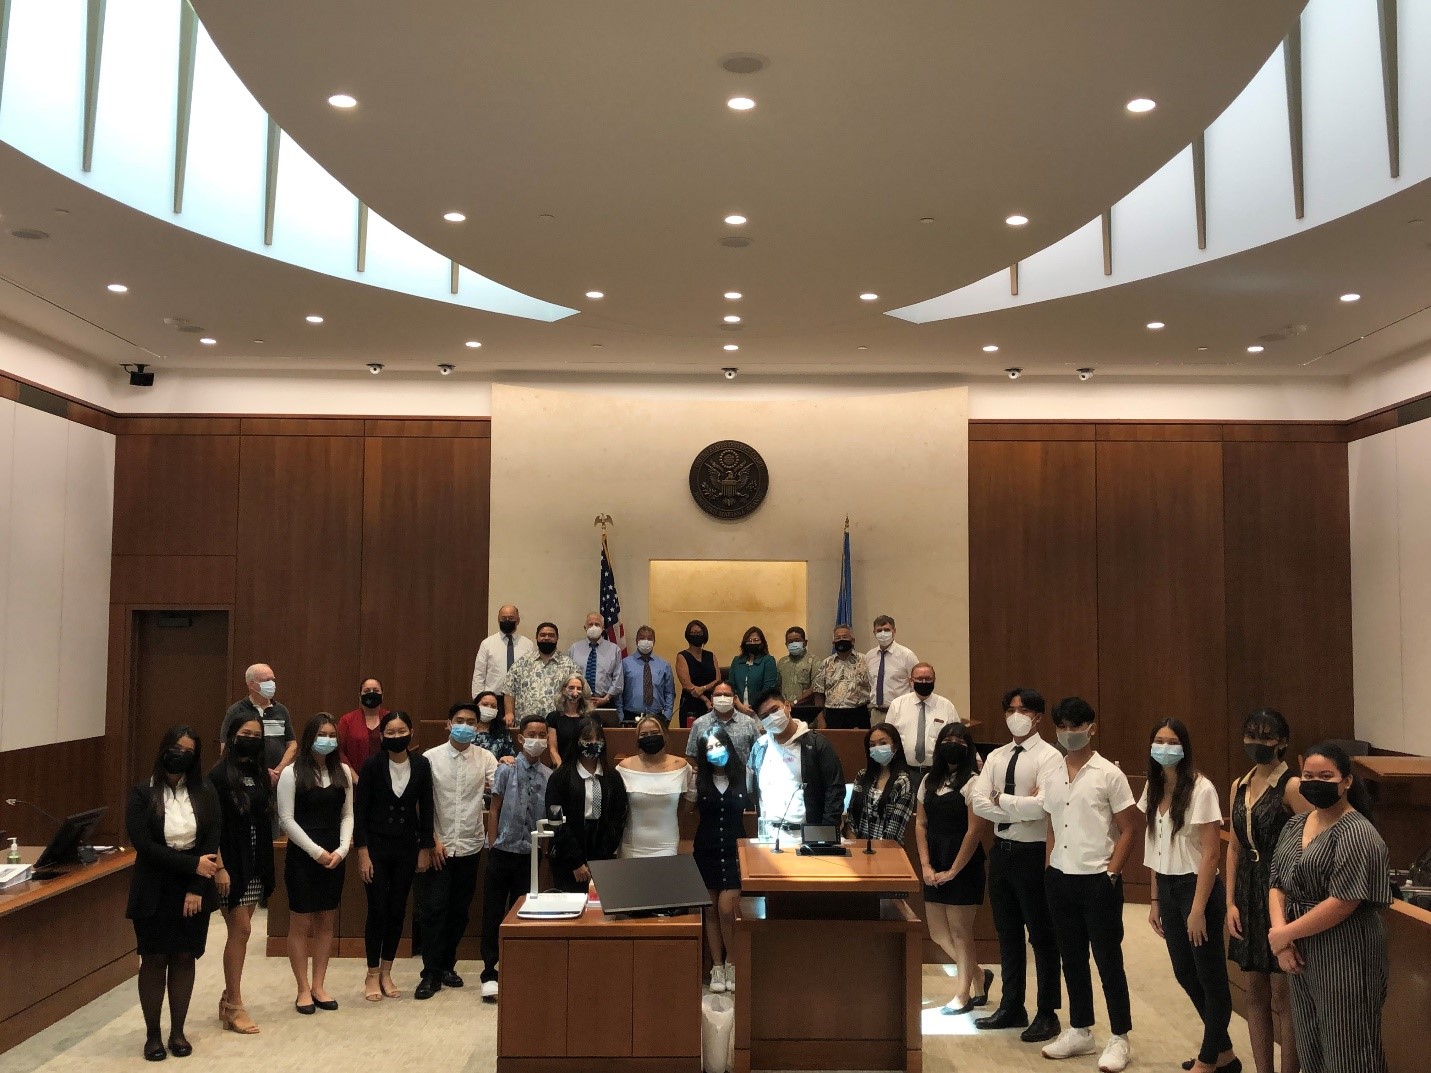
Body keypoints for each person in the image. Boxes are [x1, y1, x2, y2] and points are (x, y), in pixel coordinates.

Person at [1269, 743, 1391, 1073]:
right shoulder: (1296, 825)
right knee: (1311, 1046)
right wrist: (1281, 938)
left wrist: (1283, 934)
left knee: (1349, 1051)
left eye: (1326, 776)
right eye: (1308, 775)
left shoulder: (1357, 833)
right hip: (1298, 950)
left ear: (1347, 781)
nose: (1315, 782)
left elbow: (1343, 902)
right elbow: (1277, 882)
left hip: (1346, 950)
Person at [1039, 698, 1141, 1071]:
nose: (1069, 733)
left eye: (1075, 726)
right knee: (1072, 959)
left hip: (1099, 878)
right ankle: (1080, 1029)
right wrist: (1050, 866)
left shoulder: (1108, 774)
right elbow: (1052, 823)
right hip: (1060, 877)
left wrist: (1112, 873)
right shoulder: (1052, 773)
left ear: (1091, 727)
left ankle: (1120, 1037)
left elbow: (1130, 827)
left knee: (1108, 960)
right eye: (1062, 727)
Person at [1139, 719, 1236, 1073]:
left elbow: (1211, 853)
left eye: (1173, 741)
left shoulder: (1202, 788)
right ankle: (1224, 1053)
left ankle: (1208, 1060)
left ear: (1185, 746)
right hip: (1166, 887)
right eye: (1159, 740)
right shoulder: (1153, 787)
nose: (1165, 747)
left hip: (1197, 889)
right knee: (1184, 971)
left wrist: (1197, 909)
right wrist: (1153, 900)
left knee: (1210, 977)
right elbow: (1154, 844)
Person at [970, 686, 1063, 1042]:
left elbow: (1043, 807)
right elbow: (979, 802)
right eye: (1009, 708)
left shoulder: (1049, 757)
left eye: (1021, 709)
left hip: (1034, 852)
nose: (1014, 715)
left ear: (1037, 716)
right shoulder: (996, 756)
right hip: (1002, 850)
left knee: (1041, 934)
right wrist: (1014, 805)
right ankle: (1012, 1005)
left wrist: (1002, 800)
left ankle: (1047, 1012)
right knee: (1006, 932)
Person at [124, 726, 221, 1061]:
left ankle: (177, 1032)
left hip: (194, 888)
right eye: (176, 748)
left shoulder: (205, 790)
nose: (181, 754)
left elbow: (211, 840)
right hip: (154, 887)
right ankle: (152, 1036)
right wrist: (191, 866)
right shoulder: (142, 793)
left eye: (189, 751)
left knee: (183, 956)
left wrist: (197, 884)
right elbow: (145, 846)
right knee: (153, 959)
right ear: (164, 749)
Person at [1228, 709, 1308, 1073]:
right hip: (1247, 891)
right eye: (1251, 735)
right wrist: (1230, 901)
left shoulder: (1292, 785)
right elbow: (1234, 847)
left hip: (1282, 892)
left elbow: (1312, 840)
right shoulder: (1239, 784)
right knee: (1254, 989)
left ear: (1283, 741)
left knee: (1283, 994)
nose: (1257, 743)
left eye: (1266, 736)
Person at [414, 702, 498, 999]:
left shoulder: (486, 758)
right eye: (460, 720)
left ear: (478, 727)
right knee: (433, 910)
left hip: (471, 845)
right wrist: (431, 840)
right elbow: (421, 805)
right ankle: (430, 973)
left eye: (471, 722)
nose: (466, 725)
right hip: (439, 845)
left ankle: (447, 965)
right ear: (448, 724)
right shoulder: (429, 758)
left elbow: (498, 788)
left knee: (459, 912)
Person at [353, 711, 434, 1003]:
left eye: (402, 732)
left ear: (411, 732)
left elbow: (427, 809)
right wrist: (362, 853)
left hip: (406, 848)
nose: (397, 737)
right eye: (391, 733)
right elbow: (360, 812)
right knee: (377, 909)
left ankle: (387, 971)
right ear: (382, 736)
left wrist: (425, 848)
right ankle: (372, 972)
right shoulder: (373, 765)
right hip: (375, 848)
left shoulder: (422, 765)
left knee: (398, 909)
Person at [278, 714, 353, 1016]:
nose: (328, 739)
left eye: (333, 735)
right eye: (323, 733)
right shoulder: (292, 773)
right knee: (301, 922)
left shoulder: (344, 771)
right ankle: (302, 988)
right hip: (303, 855)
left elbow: (347, 815)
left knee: (326, 922)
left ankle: (319, 985)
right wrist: (315, 851)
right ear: (310, 736)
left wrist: (343, 849)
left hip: (335, 856)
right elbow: (286, 819)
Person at [916, 722, 991, 1015]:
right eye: (947, 739)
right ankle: (979, 975)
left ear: (968, 747)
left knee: (961, 932)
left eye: (959, 740)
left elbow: (975, 831)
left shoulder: (974, 781)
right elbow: (921, 824)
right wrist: (925, 864)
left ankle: (963, 994)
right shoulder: (927, 781)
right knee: (937, 932)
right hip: (933, 860)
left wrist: (954, 871)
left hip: (964, 862)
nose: (953, 744)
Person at [209, 715, 275, 1034]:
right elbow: (212, 827)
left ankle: (227, 998)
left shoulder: (260, 773)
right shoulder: (219, 775)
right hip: (229, 865)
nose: (250, 738)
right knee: (243, 930)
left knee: (241, 932)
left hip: (255, 863)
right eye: (245, 733)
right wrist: (219, 866)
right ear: (232, 736)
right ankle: (235, 1005)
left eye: (256, 735)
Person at [480, 714, 552, 1000]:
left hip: (530, 854)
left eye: (542, 734)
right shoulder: (506, 769)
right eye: (531, 733)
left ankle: (519, 968)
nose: (537, 738)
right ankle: (490, 971)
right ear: (521, 738)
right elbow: (494, 809)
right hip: (503, 850)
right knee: (493, 912)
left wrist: (544, 852)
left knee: (523, 912)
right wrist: (493, 843)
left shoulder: (549, 776)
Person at [545, 716, 629, 892]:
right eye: (587, 739)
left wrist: (601, 858)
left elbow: (619, 816)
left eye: (598, 739)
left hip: (602, 854)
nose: (593, 743)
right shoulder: (560, 777)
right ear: (577, 741)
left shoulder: (612, 777)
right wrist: (576, 862)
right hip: (568, 855)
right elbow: (556, 821)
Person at [693, 726, 747, 993]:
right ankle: (716, 965)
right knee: (710, 910)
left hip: (736, 850)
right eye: (709, 748)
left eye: (719, 745)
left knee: (728, 908)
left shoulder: (744, 776)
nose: (716, 752)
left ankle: (733, 961)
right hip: (707, 849)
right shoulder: (698, 780)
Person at [750, 689, 846, 833]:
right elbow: (752, 790)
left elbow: (835, 790)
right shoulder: (759, 747)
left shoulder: (817, 744)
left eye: (774, 710)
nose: (771, 718)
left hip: (806, 836)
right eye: (764, 716)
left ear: (787, 706)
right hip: (768, 836)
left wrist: (827, 834)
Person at [618, 715, 695, 857]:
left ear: (664, 735)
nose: (649, 737)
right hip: (632, 846)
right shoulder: (623, 768)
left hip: (667, 844)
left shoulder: (682, 767)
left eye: (654, 733)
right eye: (644, 735)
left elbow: (688, 804)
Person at [885, 662, 961, 791]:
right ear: (911, 681)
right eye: (919, 679)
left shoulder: (946, 706)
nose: (924, 682)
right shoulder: (897, 705)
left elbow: (959, 737)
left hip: (937, 772)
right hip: (905, 773)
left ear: (934, 680)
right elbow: (887, 739)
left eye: (928, 679)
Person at [220, 663, 295, 788]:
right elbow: (225, 746)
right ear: (251, 684)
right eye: (266, 680)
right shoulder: (236, 710)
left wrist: (279, 770)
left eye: (273, 680)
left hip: (278, 777)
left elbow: (292, 744)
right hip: (247, 777)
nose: (272, 684)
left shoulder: (281, 710)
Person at [849, 723, 915, 841]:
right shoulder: (862, 776)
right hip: (859, 848)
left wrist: (876, 854)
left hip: (888, 852)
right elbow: (851, 818)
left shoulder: (903, 782)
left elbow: (894, 831)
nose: (877, 748)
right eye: (872, 745)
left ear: (895, 747)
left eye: (883, 743)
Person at [502, 622, 580, 723]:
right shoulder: (522, 662)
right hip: (526, 723)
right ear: (536, 637)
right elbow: (509, 691)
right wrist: (509, 713)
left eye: (551, 635)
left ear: (557, 638)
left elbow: (577, 693)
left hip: (558, 724)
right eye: (542, 635)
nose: (547, 638)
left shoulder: (569, 665)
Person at [812, 623, 874, 729]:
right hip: (833, 715)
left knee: (858, 745)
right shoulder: (826, 663)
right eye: (838, 638)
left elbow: (873, 687)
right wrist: (820, 719)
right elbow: (819, 694)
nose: (841, 640)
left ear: (853, 640)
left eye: (845, 637)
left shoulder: (865, 660)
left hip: (859, 713)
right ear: (833, 642)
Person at [686, 680, 762, 765]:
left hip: (742, 777)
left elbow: (759, 753)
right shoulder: (699, 724)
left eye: (726, 695)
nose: (722, 698)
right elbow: (691, 755)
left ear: (735, 699)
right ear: (712, 699)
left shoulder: (749, 723)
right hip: (709, 777)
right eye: (718, 695)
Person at [472, 604, 535, 698]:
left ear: (518, 620)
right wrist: (478, 699)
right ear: (498, 619)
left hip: (520, 698)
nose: (507, 621)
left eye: (511, 618)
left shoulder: (528, 644)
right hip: (493, 699)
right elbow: (479, 674)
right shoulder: (487, 644)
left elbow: (532, 673)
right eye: (503, 618)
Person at [865, 614, 919, 718]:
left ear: (894, 631)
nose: (883, 633)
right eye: (879, 630)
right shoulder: (869, 656)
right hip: (876, 712)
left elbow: (915, 685)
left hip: (900, 712)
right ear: (874, 632)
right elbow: (871, 682)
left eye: (886, 630)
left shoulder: (907, 655)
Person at [568, 611, 623, 710]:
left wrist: (606, 698)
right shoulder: (574, 648)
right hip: (579, 701)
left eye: (597, 624)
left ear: (603, 628)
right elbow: (569, 676)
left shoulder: (614, 649)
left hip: (605, 702)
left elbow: (618, 678)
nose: (594, 627)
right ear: (585, 628)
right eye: (590, 624)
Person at [337, 678, 389, 780]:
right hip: (355, 781)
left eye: (376, 690)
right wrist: (355, 778)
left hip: (387, 781)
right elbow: (339, 751)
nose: (371, 693)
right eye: (367, 691)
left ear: (382, 695)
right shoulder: (347, 720)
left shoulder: (390, 718)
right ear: (360, 697)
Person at [622, 625, 675, 724]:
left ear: (654, 641)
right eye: (642, 638)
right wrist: (621, 716)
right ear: (636, 640)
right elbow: (619, 692)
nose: (645, 641)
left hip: (657, 716)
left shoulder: (664, 665)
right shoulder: (625, 663)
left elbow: (669, 692)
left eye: (649, 638)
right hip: (630, 716)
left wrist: (667, 715)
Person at [675, 618, 719, 728]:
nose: (697, 635)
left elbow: (718, 679)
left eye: (699, 633)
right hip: (691, 705)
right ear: (688, 635)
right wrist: (705, 700)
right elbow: (687, 685)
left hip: (712, 704)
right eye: (693, 633)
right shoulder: (682, 656)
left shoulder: (711, 655)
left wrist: (703, 688)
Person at [728, 626, 779, 716]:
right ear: (744, 643)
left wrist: (754, 707)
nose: (752, 643)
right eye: (749, 640)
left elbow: (768, 688)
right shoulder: (737, 661)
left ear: (762, 642)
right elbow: (731, 686)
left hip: (761, 709)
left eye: (756, 640)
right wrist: (740, 706)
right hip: (737, 709)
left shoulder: (768, 660)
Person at [548, 675, 594, 767]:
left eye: (579, 688)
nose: (575, 692)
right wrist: (561, 771)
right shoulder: (553, 717)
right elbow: (553, 749)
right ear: (564, 690)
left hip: (584, 768)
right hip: (561, 767)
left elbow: (592, 747)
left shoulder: (589, 718)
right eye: (571, 688)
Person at [776, 626, 820, 708]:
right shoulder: (782, 663)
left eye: (797, 640)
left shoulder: (814, 661)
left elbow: (816, 687)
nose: (794, 644)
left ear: (805, 642)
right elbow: (777, 687)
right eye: (790, 642)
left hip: (806, 710)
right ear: (786, 644)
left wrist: (795, 702)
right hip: (785, 710)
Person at [470, 692, 517, 764]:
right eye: (485, 704)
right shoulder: (466, 729)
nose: (489, 708)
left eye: (493, 706)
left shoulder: (503, 733)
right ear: (475, 706)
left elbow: (510, 757)